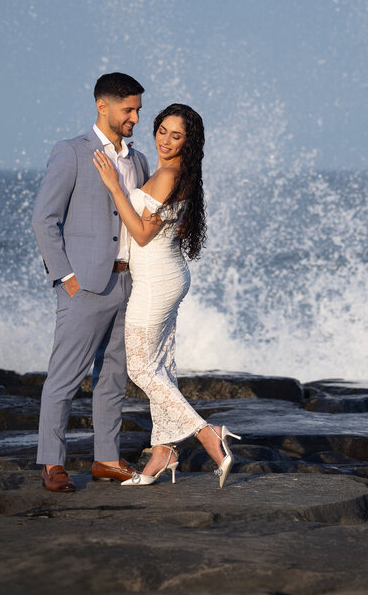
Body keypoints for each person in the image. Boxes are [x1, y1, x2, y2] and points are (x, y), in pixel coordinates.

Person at [92, 103, 240, 487]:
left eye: (177, 135)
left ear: (188, 142)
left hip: (156, 281)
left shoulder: (168, 175)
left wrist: (113, 186)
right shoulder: (173, 173)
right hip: (168, 274)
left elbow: (141, 234)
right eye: (162, 130)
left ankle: (208, 435)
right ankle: (163, 451)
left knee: (140, 368)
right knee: (160, 366)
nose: (166, 140)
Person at [31, 72, 150, 492]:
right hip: (84, 287)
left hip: (127, 285)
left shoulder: (138, 161)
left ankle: (106, 458)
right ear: (103, 106)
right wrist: (66, 277)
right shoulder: (71, 153)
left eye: (137, 108)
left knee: (115, 375)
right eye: (128, 109)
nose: (135, 116)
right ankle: (51, 462)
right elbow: (44, 219)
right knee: (65, 377)